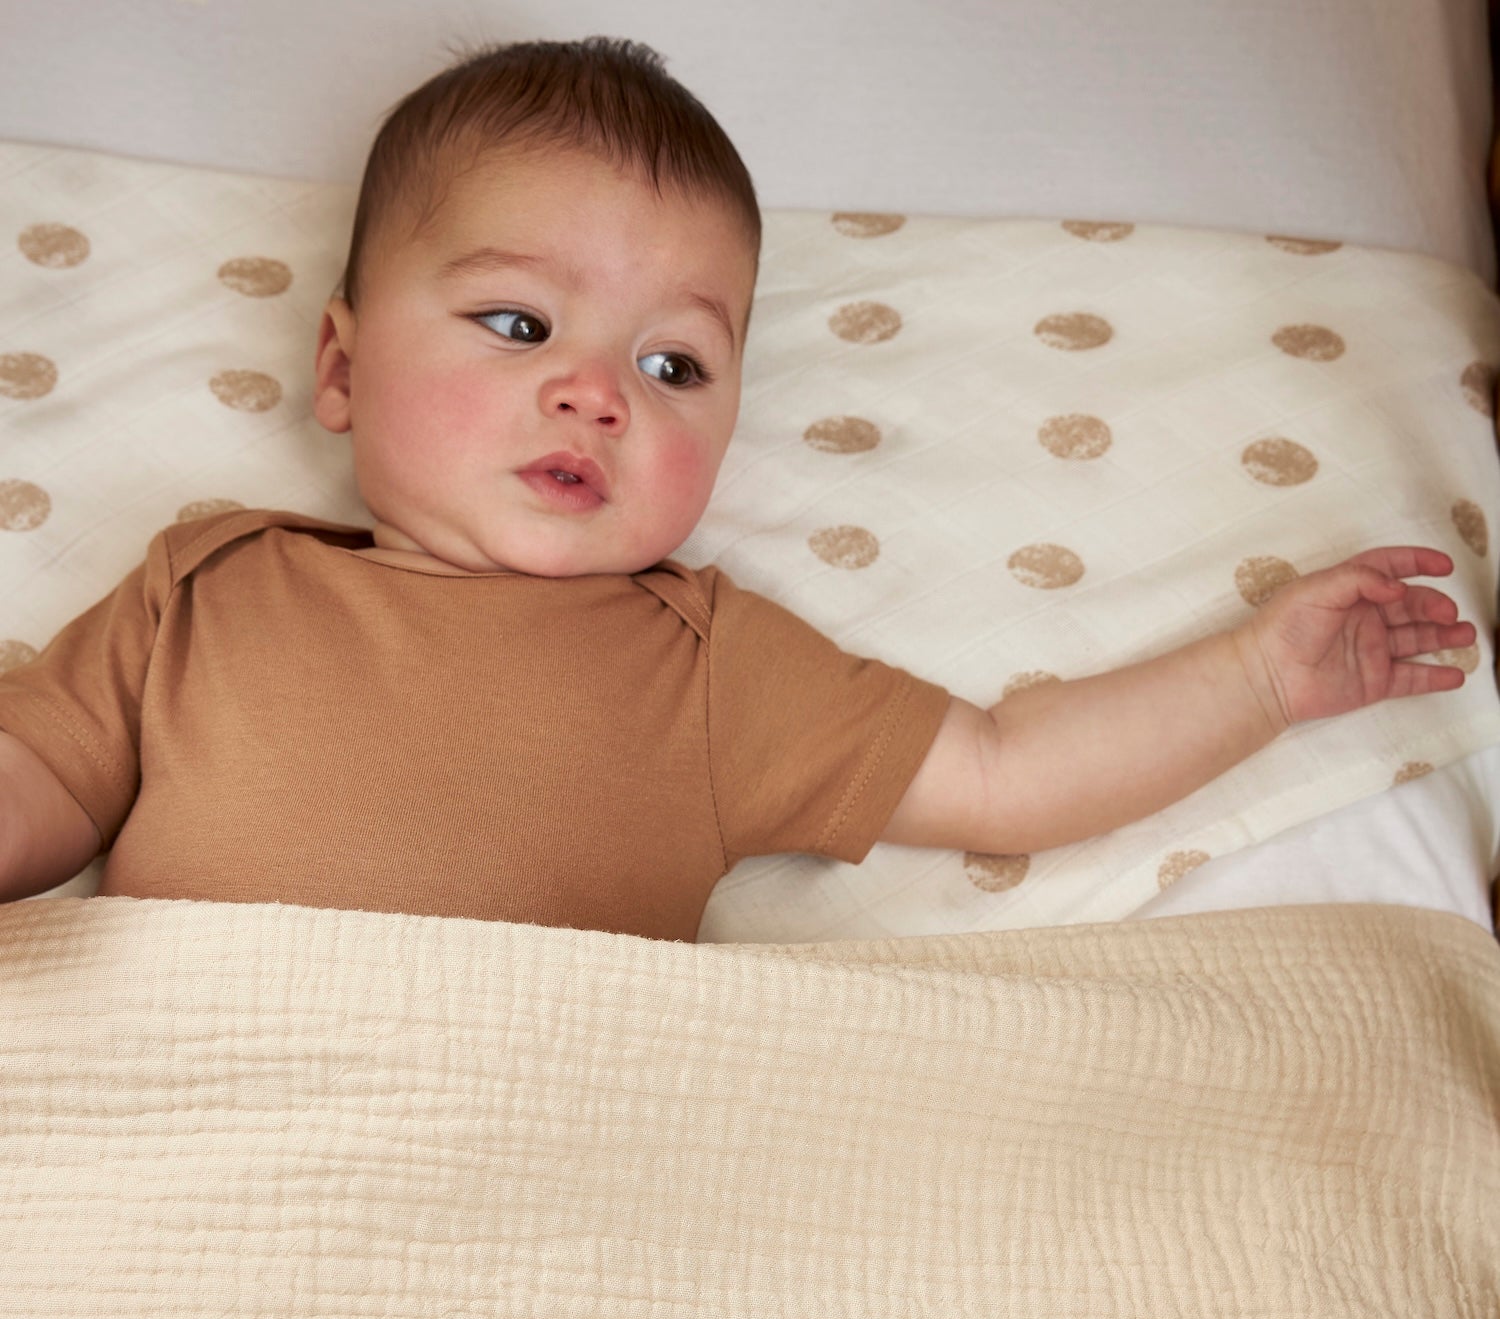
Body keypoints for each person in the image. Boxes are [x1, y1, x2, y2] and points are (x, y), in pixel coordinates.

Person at [0, 38, 1477, 940]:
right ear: (339, 367)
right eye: (518, 323)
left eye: (675, 365)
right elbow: (42, 780)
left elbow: (1002, 772)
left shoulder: (704, 663)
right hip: (191, 1101)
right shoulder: (207, 589)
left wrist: (1256, 679)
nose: (597, 391)